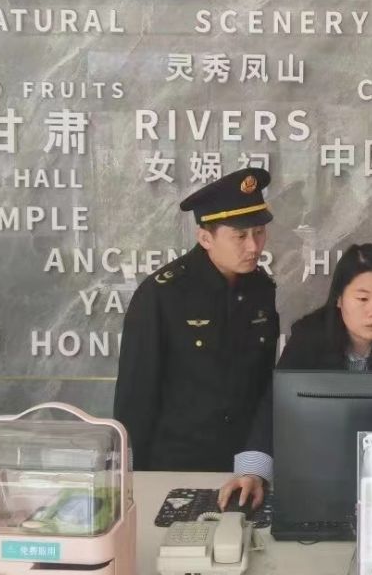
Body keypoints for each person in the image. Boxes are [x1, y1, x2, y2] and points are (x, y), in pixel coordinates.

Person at [218, 243, 372, 509]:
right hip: (315, 474)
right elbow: (276, 404)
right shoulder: (310, 337)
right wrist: (252, 472)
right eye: (362, 299)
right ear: (339, 299)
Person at [113, 168, 279, 471]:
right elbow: (136, 395)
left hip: (244, 466)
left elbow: (264, 383)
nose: (254, 246)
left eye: (259, 232)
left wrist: (257, 461)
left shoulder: (261, 289)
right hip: (176, 463)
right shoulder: (163, 294)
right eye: (240, 236)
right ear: (205, 238)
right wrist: (133, 476)